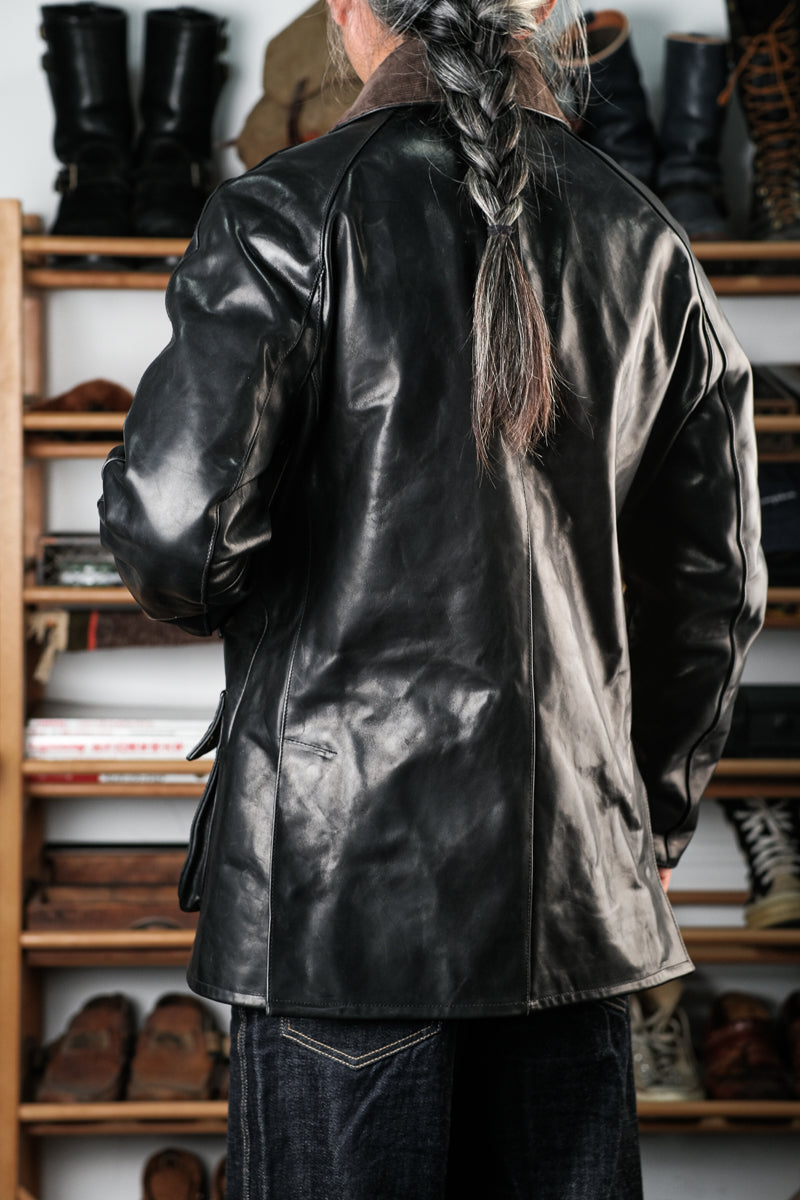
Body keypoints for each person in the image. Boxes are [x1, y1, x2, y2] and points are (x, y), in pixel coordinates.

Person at [99, 0, 766, 1195]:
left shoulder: (283, 212)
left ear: (347, 13)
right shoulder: (650, 237)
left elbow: (174, 545)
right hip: (573, 900)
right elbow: (711, 595)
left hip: (332, 899)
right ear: (542, 10)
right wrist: (640, 825)